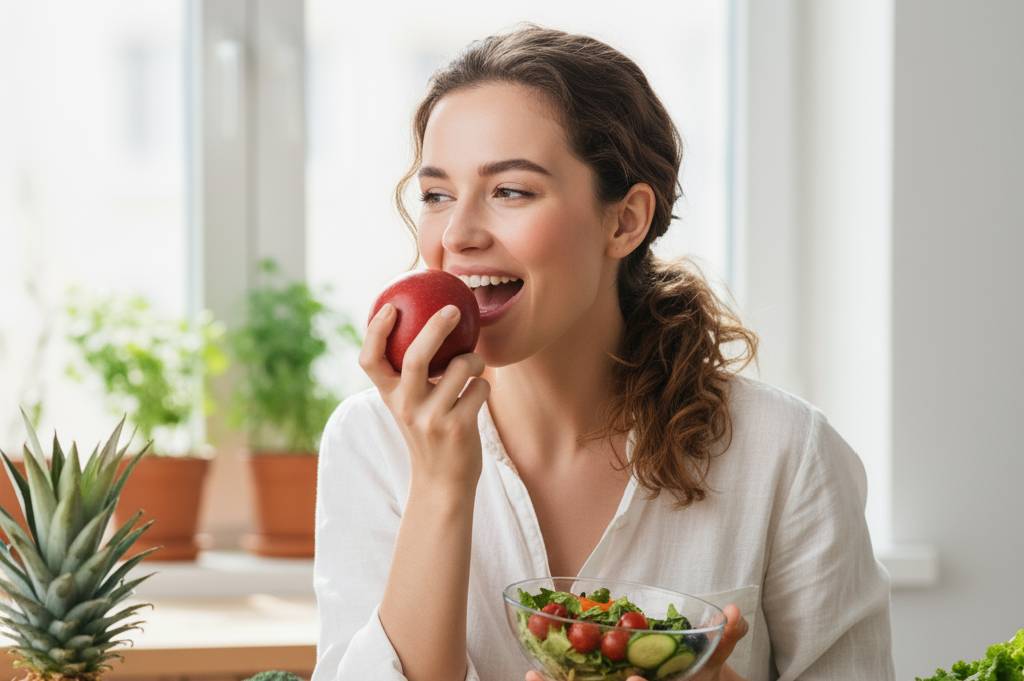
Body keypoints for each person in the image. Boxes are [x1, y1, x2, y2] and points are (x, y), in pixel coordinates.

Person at [311, 23, 895, 681]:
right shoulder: (371, 442)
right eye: (437, 194)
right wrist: (442, 484)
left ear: (625, 220)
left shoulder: (785, 453)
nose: (458, 234)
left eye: (510, 190)